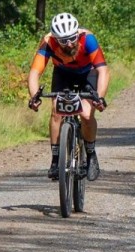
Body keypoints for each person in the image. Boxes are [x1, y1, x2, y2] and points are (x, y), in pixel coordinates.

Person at [27, 12, 109, 182]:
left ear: (77, 34)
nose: (69, 43)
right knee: (56, 112)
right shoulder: (48, 42)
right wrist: (34, 96)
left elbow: (102, 70)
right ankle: (55, 160)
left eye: (72, 38)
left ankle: (91, 155)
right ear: (56, 39)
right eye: (63, 41)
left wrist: (99, 98)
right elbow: (34, 73)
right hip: (63, 73)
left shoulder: (88, 39)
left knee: (86, 114)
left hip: (88, 73)